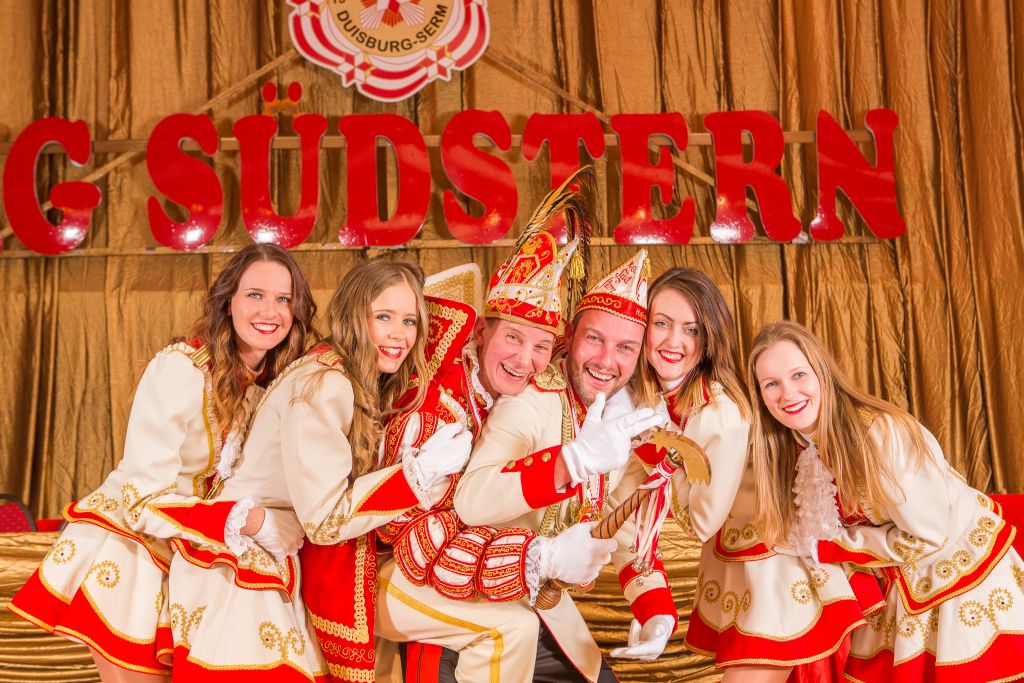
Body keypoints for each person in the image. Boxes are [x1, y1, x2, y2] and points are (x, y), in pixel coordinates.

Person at [8, 243, 317, 682]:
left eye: (284, 299)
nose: (271, 311)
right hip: (134, 549)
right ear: (227, 300)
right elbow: (140, 497)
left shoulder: (273, 388)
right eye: (255, 294)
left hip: (199, 556)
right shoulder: (180, 369)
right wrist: (245, 521)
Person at [368, 172, 624, 683]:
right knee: (511, 629)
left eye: (541, 346)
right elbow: (416, 541)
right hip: (394, 578)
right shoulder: (435, 407)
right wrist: (536, 557)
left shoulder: (520, 399)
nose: (525, 360)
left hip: (483, 578)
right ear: (482, 331)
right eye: (513, 338)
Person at [165, 258, 472, 681]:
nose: (399, 335)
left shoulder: (345, 373)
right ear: (354, 315)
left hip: (280, 556)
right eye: (383, 317)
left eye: (409, 321)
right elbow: (326, 521)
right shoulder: (327, 383)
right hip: (245, 568)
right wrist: (416, 475)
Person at [620, 270, 876, 683]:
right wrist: (650, 605)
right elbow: (628, 508)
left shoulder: (718, 412)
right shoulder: (651, 402)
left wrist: (655, 447)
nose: (673, 340)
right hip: (738, 563)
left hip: (777, 565)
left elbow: (702, 521)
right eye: (661, 323)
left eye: (691, 329)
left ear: (709, 338)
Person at [748, 320, 1024, 682]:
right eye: (771, 384)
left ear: (822, 373)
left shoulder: (880, 435)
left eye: (798, 375)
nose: (787, 394)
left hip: (959, 579)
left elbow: (929, 536)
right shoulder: (801, 449)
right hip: (903, 586)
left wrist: (830, 547)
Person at [452, 250, 667, 683]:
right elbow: (471, 501)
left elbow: (623, 529)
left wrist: (655, 610)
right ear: (569, 335)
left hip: (547, 615)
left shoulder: (621, 418)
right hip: (470, 607)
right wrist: (571, 461)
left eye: (625, 347)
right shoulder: (530, 401)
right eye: (595, 339)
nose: (606, 360)